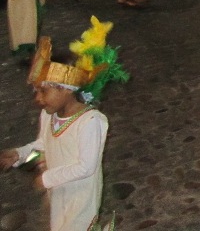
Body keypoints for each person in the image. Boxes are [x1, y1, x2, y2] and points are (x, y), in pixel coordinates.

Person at [0, 20, 127, 231]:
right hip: (59, 192)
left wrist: (47, 178)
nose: (38, 98)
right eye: (36, 92)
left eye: (44, 91)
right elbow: (44, 144)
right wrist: (20, 154)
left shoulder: (91, 121)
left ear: (67, 89)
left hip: (80, 197)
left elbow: (86, 167)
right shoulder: (48, 115)